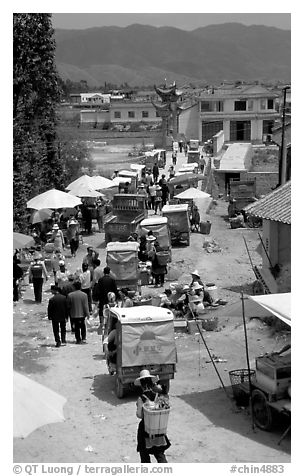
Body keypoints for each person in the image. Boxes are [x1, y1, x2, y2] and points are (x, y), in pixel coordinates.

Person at [135, 369, 171, 463]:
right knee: (160, 455)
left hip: (145, 430)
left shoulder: (141, 398)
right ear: (152, 383)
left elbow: (139, 415)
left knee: (145, 456)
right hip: (158, 427)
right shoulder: (158, 396)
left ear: (141, 385)